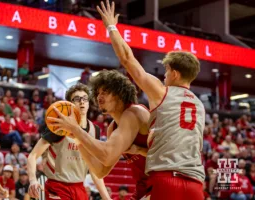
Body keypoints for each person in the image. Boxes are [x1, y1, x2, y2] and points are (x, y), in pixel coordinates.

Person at [96, 1, 205, 199]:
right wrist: (140, 148)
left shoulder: (162, 92)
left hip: (167, 178)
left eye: (166, 71)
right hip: (196, 183)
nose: (164, 76)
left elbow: (128, 59)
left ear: (175, 73)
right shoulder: (200, 106)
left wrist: (111, 26)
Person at [48, 70, 151, 200]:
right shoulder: (113, 128)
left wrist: (76, 129)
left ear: (119, 93)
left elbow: (106, 155)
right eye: (98, 93)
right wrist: (76, 137)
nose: (99, 97)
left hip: (161, 180)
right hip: (144, 186)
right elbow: (101, 171)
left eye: (105, 92)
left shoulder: (134, 113)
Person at [27, 83, 111, 200]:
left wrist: (107, 198)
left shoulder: (95, 130)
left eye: (85, 99)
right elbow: (33, 155)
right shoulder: (58, 126)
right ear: (69, 104)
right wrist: (32, 180)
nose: (82, 102)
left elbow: (94, 170)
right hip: (57, 186)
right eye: (77, 99)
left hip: (79, 187)